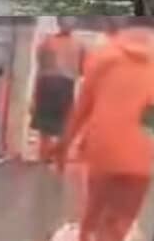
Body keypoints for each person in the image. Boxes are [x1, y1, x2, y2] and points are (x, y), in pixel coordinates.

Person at [57, 23, 154, 241]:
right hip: (141, 157)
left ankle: (86, 233)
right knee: (119, 226)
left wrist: (64, 146)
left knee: (92, 221)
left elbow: (82, 108)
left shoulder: (104, 54)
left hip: (103, 150)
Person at [30, 17, 84, 163]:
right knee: (46, 128)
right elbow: (40, 66)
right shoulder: (48, 42)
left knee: (63, 126)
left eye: (71, 20)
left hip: (63, 85)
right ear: (59, 22)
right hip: (49, 83)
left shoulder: (79, 45)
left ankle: (57, 156)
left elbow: (82, 69)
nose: (69, 23)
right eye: (66, 20)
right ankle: (45, 157)